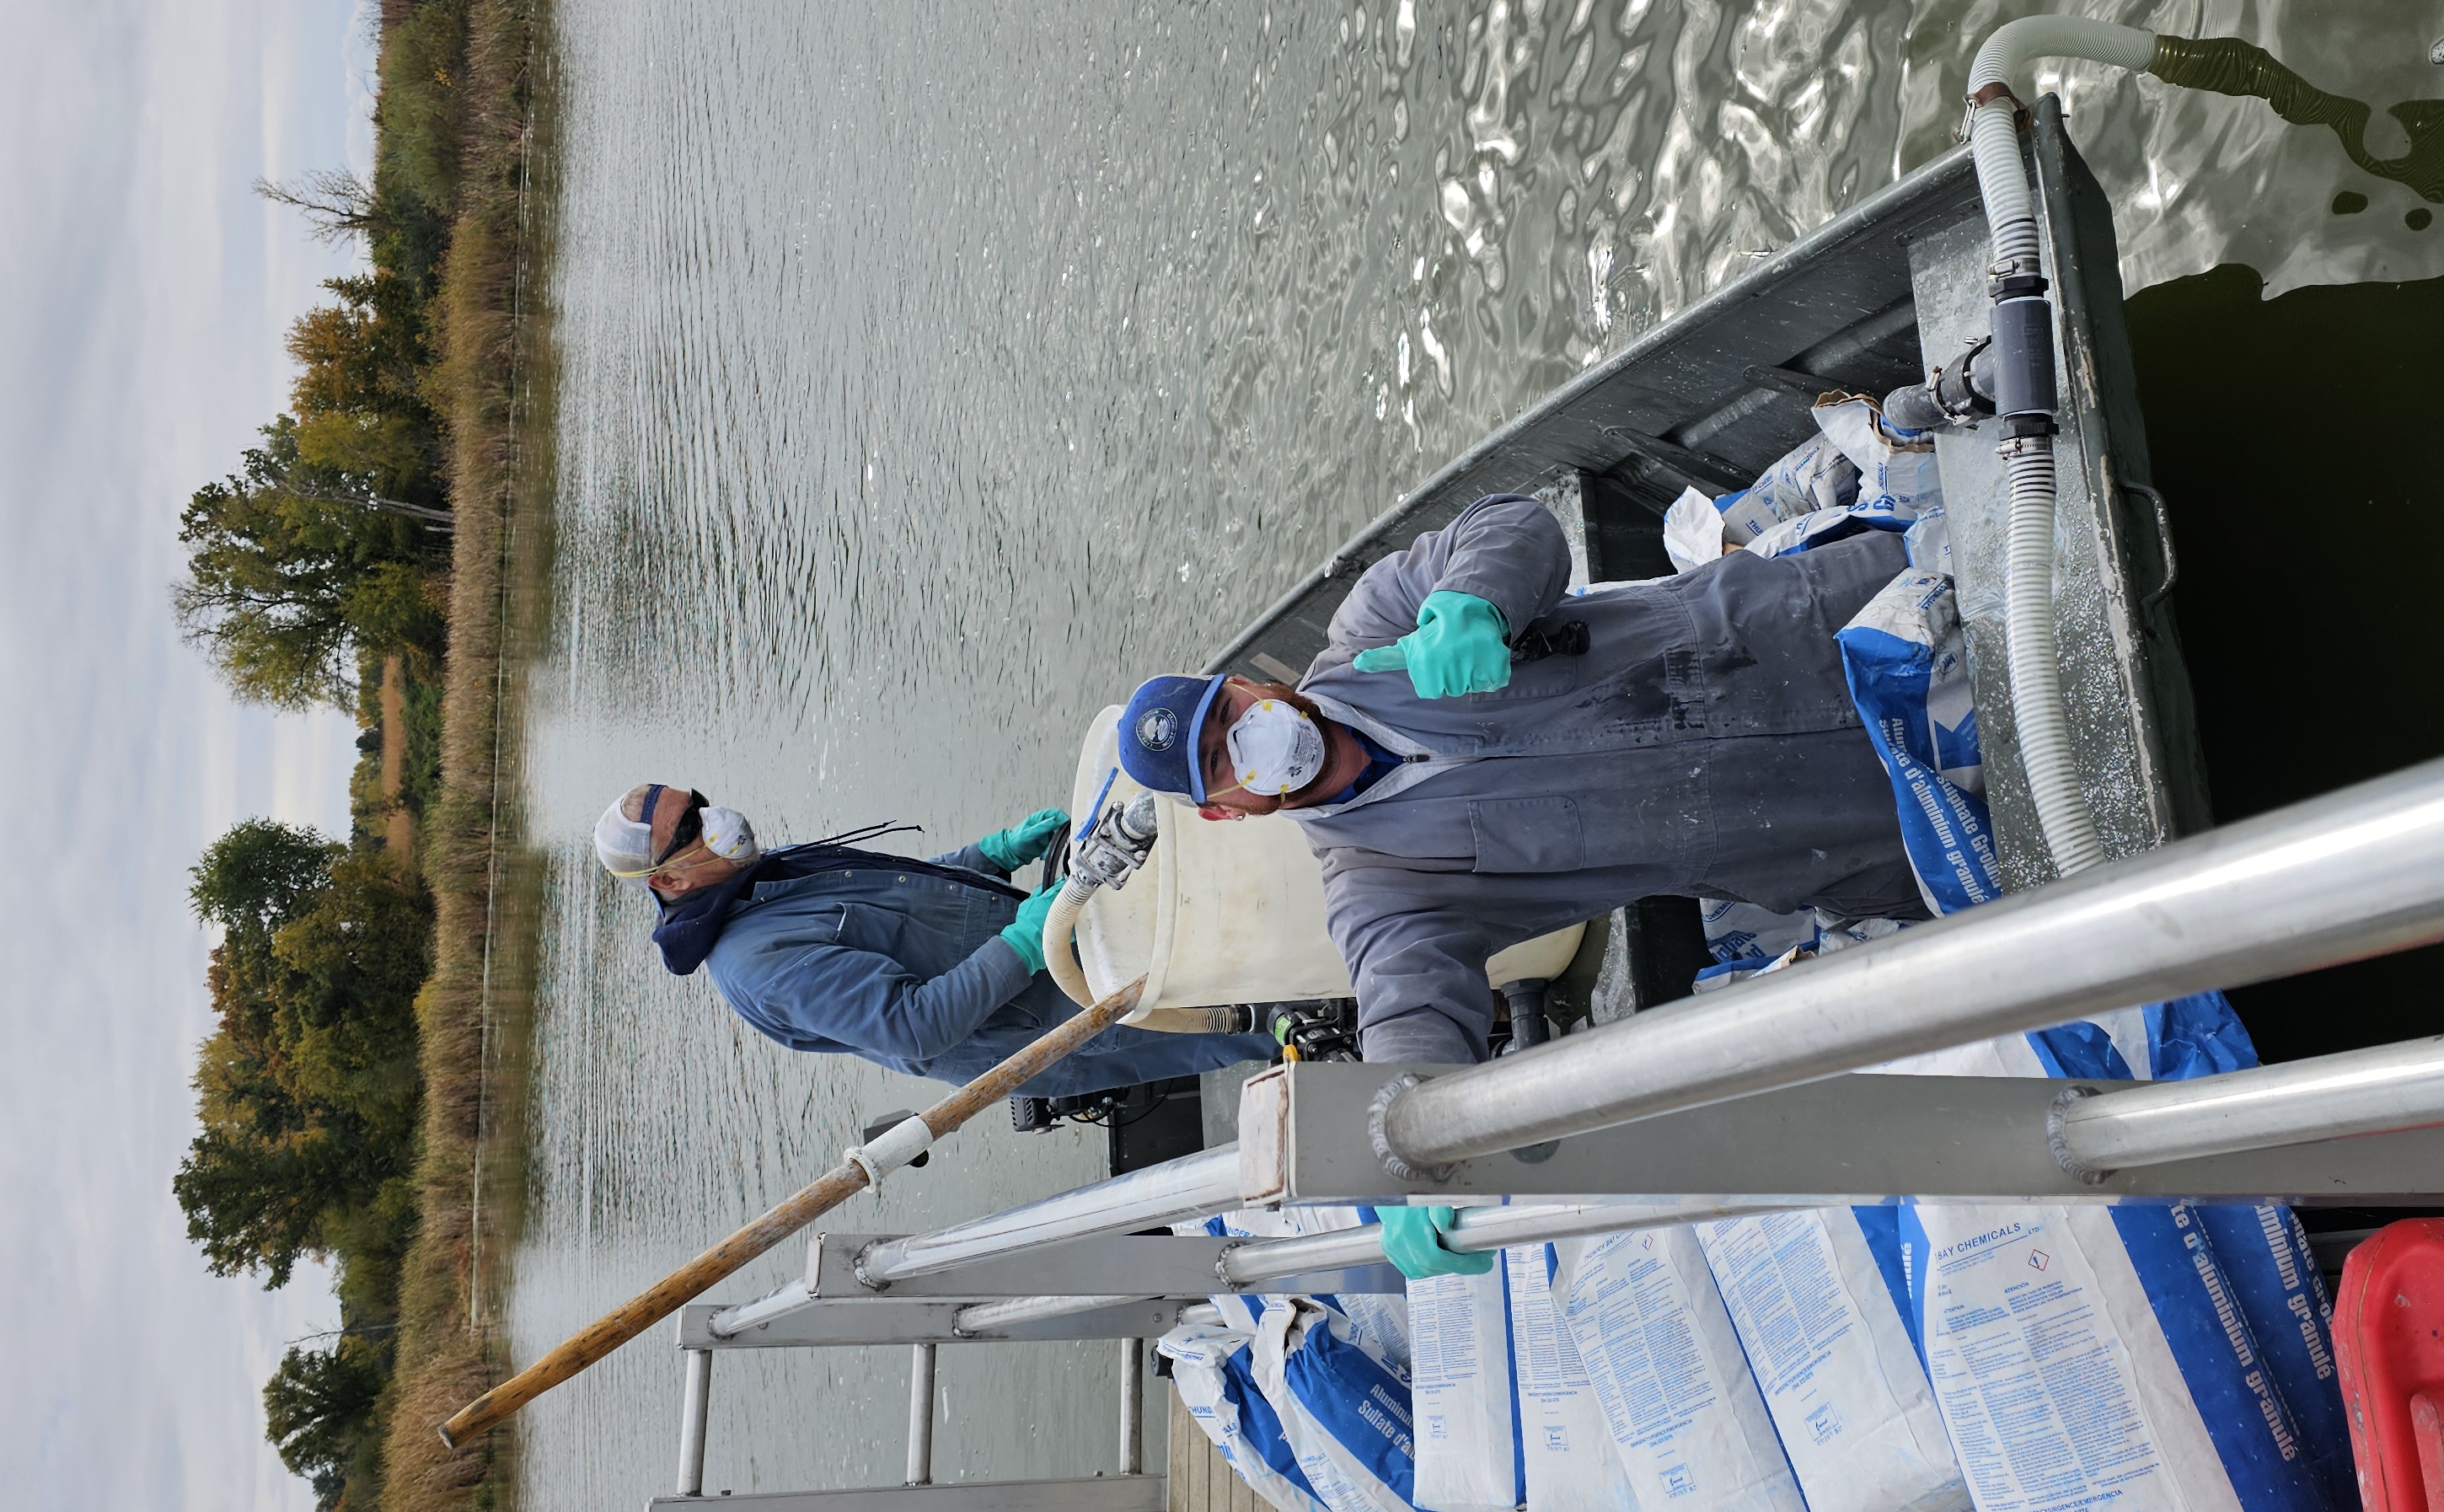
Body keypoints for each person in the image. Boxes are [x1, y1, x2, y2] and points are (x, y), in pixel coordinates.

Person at [1105, 491, 1927, 1272]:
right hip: (1853, 818)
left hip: (1819, 615)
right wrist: (1407, 1154)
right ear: (1223, 811)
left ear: (1247, 683)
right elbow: (1410, 1013)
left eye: (1228, 712)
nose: (1248, 738)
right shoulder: (1381, 889)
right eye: (1222, 761)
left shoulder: (1372, 627)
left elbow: (1512, 526)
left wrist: (1476, 603)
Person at [592, 781, 1273, 1097]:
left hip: (1066, 945)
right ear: (670, 882)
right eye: (691, 831)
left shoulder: (761, 870)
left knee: (1238, 959)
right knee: (1250, 1020)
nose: (715, 821)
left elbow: (902, 891)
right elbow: (916, 1026)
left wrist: (991, 854)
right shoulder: (758, 964)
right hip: (1052, 1023)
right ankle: (1355, 1040)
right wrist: (1031, 942)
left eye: (698, 804)